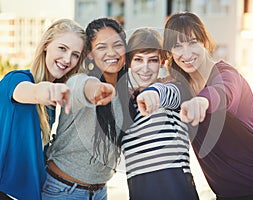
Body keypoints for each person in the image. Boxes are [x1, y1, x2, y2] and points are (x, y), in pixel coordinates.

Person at [163, 11, 253, 200]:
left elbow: (222, 93)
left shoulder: (227, 75)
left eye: (192, 42)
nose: (186, 53)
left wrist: (201, 101)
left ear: (205, 42)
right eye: (177, 46)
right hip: (226, 193)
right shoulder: (180, 87)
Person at [42, 18, 134, 200]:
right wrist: (96, 90)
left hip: (100, 192)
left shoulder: (128, 92)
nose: (111, 52)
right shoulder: (80, 80)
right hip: (62, 191)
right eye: (101, 47)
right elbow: (80, 88)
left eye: (117, 45)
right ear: (90, 54)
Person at [0, 19, 86, 200]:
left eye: (75, 55)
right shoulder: (15, 80)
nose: (67, 59)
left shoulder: (52, 107)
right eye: (62, 48)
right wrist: (48, 90)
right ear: (46, 45)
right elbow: (32, 92)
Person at [121, 28, 199, 200]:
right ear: (129, 63)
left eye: (153, 60)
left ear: (162, 62)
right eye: (138, 59)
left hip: (176, 190)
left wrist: (152, 93)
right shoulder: (126, 105)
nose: (145, 68)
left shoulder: (173, 88)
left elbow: (168, 93)